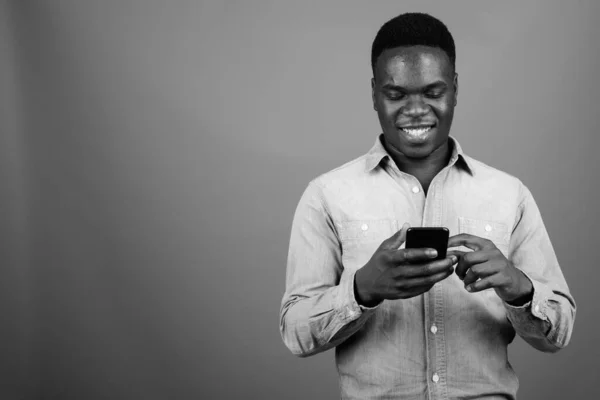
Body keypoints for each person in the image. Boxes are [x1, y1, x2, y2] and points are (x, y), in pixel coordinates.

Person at [279, 11, 575, 400]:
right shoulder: (326, 195)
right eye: (396, 94)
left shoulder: (509, 194)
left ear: (455, 89)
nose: (416, 109)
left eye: (433, 92)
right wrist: (361, 291)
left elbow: (559, 332)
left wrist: (517, 287)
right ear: (374, 94)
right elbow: (296, 333)